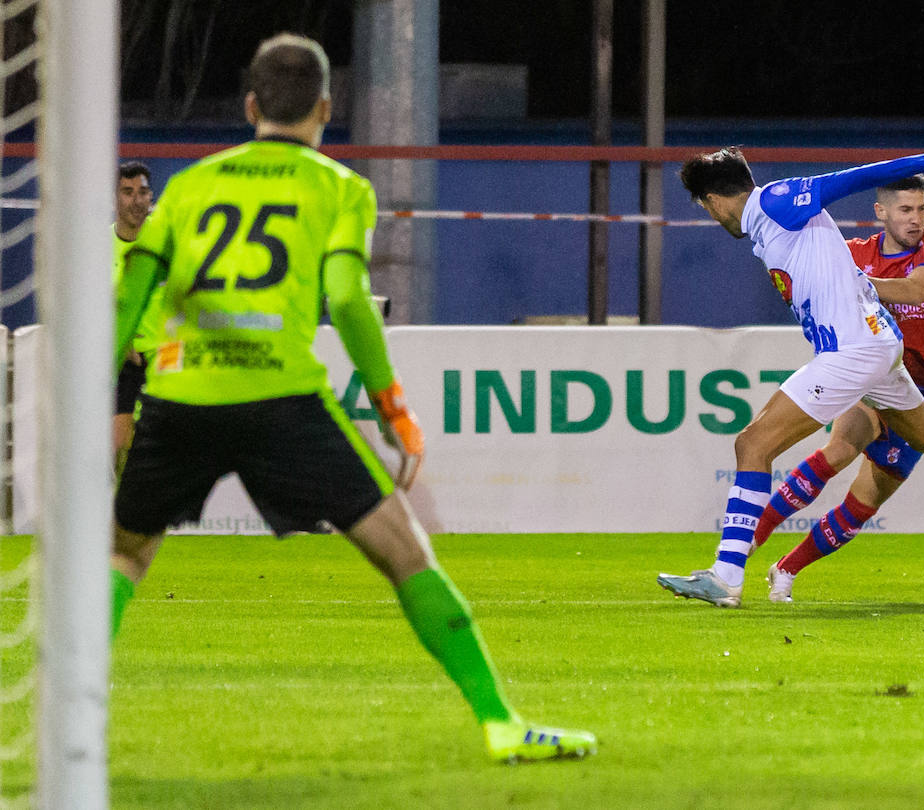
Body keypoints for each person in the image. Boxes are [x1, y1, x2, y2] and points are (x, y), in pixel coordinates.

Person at [111, 33, 595, 763]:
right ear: (326, 109)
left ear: (249, 106)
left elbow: (129, 298)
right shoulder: (339, 187)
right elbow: (347, 299)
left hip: (183, 397)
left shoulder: (190, 187)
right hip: (282, 400)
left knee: (121, 559)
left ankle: (56, 720)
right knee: (406, 554)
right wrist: (393, 409)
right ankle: (500, 722)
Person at [657, 138, 924, 608]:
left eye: (707, 208)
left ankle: (727, 575)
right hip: (878, 345)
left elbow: (856, 177)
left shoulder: (774, 201)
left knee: (753, 444)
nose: (713, 217)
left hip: (853, 352)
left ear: (713, 200)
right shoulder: (769, 228)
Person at [752, 174, 924, 602]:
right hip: (874, 375)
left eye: (921, 209)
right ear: (881, 212)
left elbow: (916, 288)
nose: (915, 220)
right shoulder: (853, 253)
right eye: (905, 210)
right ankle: (749, 541)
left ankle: (786, 568)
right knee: (836, 452)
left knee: (862, 507)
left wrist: (857, 283)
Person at [112, 161, 155, 464]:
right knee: (117, 448)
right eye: (127, 192)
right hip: (120, 364)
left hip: (166, 363)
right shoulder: (97, 247)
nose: (136, 200)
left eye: (142, 192)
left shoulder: (166, 243)